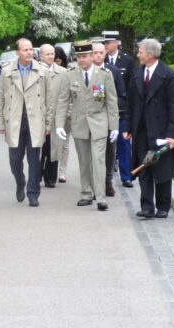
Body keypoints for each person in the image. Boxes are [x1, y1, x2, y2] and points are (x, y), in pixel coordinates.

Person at [124, 38, 174, 219]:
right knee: (144, 167)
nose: (137, 55)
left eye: (140, 51)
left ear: (150, 54)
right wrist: (128, 127)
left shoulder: (169, 75)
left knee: (163, 169)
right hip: (142, 130)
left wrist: (173, 135)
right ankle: (147, 207)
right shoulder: (136, 73)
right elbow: (131, 104)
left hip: (162, 131)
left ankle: (163, 206)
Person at [54, 40, 118, 211]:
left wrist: (115, 126)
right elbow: (62, 101)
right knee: (84, 161)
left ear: (92, 56)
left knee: (98, 160)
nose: (81, 60)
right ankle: (86, 193)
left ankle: (101, 197)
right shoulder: (70, 75)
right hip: (79, 123)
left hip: (99, 123)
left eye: (84, 56)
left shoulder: (105, 74)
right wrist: (59, 124)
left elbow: (111, 102)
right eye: (79, 57)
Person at [0, 38, 53, 207]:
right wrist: (0, 121)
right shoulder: (7, 71)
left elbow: (49, 100)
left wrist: (48, 124)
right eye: (25, 50)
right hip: (14, 121)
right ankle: (20, 181)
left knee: (34, 160)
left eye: (30, 50)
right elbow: (0, 99)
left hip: (35, 121)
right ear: (17, 52)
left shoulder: (42, 71)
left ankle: (33, 193)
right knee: (15, 159)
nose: (29, 53)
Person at [91, 40, 126, 198]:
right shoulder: (85, 71)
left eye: (101, 53)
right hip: (91, 118)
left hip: (108, 117)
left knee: (110, 151)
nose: (98, 56)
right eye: (94, 53)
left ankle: (108, 180)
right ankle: (93, 184)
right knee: (92, 152)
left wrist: (110, 104)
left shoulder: (113, 71)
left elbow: (121, 95)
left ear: (105, 54)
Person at [103, 30, 136, 188]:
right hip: (104, 111)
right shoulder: (100, 64)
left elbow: (131, 87)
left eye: (108, 42)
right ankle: (105, 175)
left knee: (124, 144)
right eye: (105, 43)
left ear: (117, 42)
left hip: (122, 110)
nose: (106, 45)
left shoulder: (127, 61)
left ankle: (126, 175)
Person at [37, 44, 66, 187]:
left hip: (56, 117)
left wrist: (67, 112)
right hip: (39, 117)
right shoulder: (35, 70)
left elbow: (68, 94)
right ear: (40, 56)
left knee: (53, 148)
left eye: (52, 54)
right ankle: (36, 175)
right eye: (47, 54)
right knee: (38, 147)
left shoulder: (62, 72)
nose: (51, 57)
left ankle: (50, 177)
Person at [52, 45, 72, 183]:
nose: (55, 63)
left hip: (66, 115)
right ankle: (49, 170)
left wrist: (69, 111)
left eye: (58, 61)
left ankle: (62, 171)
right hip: (51, 114)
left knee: (64, 144)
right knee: (50, 144)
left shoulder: (69, 72)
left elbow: (71, 95)